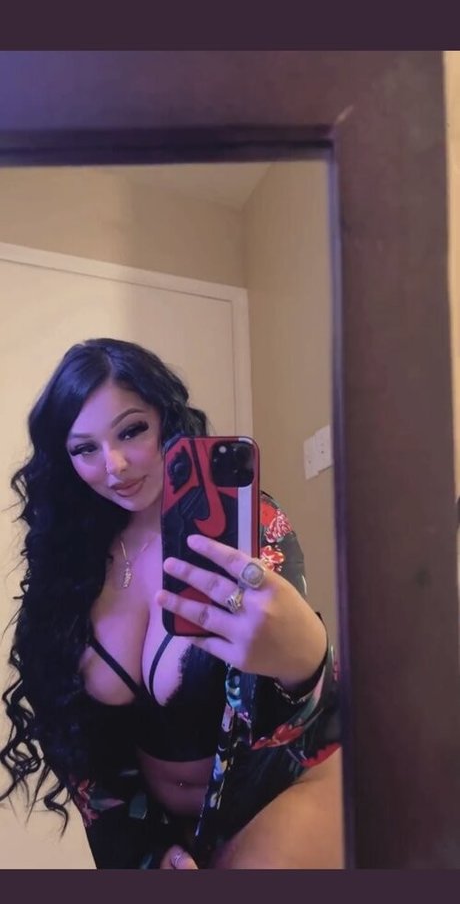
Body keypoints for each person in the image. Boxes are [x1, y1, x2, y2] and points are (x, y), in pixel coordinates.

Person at [1, 338, 342, 870]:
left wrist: (307, 660)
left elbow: (297, 703)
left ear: (166, 418)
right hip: (159, 828)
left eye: (131, 430)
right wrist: (143, 850)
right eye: (85, 448)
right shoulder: (71, 565)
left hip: (282, 786)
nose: (115, 465)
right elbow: (79, 746)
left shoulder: (243, 529)